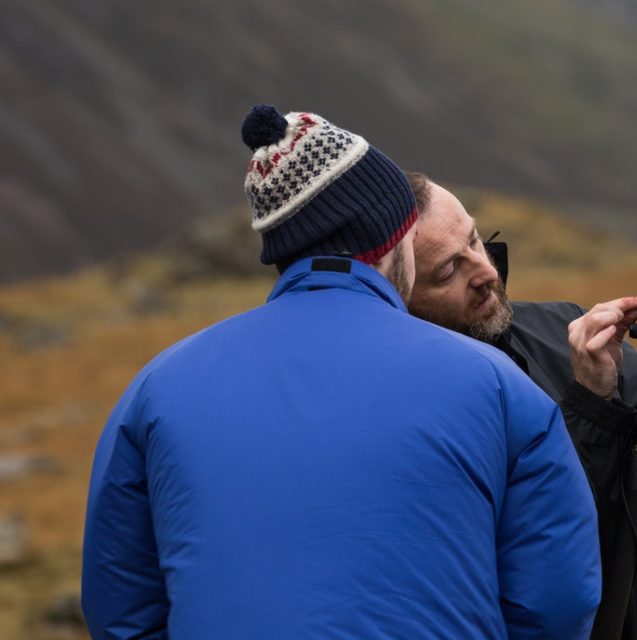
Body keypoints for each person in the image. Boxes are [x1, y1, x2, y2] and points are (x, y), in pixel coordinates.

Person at [80, 106, 601, 639]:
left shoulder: (156, 389)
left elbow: (120, 611)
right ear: (396, 239)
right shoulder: (496, 384)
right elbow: (559, 601)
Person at [404, 172, 637, 640]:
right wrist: (590, 403)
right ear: (396, 294)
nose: (487, 270)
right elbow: (536, 552)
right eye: (450, 270)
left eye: (476, 239)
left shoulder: (564, 327)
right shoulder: (416, 405)